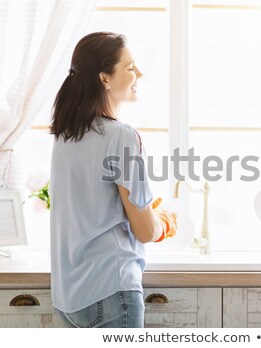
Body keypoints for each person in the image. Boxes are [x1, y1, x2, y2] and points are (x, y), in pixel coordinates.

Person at [49, 32, 176, 328]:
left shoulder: (65, 135)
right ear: (104, 78)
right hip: (110, 291)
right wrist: (165, 221)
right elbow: (144, 231)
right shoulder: (121, 136)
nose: (139, 74)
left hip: (68, 298)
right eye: (130, 68)